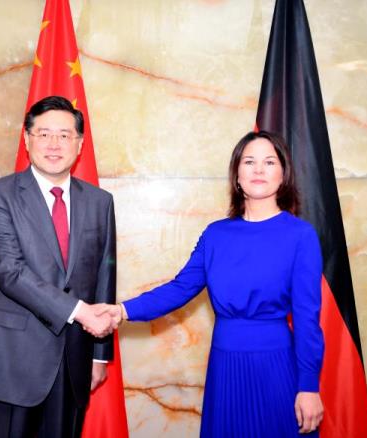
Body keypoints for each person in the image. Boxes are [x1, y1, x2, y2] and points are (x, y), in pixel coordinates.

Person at [99, 131, 325, 437]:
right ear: (237, 176)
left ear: (283, 174)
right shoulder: (215, 234)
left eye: (269, 162)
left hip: (276, 367)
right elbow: (180, 288)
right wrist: (122, 310)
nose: (259, 169)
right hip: (225, 366)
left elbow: (307, 318)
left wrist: (309, 386)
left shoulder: (301, 235)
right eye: (249, 162)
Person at [0, 95, 117, 438]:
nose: (53, 144)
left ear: (79, 144)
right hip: (12, 359)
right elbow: (9, 271)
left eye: (64, 135)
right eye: (44, 134)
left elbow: (104, 277)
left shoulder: (100, 202)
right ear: (27, 138)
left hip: (74, 360)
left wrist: (99, 355)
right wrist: (80, 311)